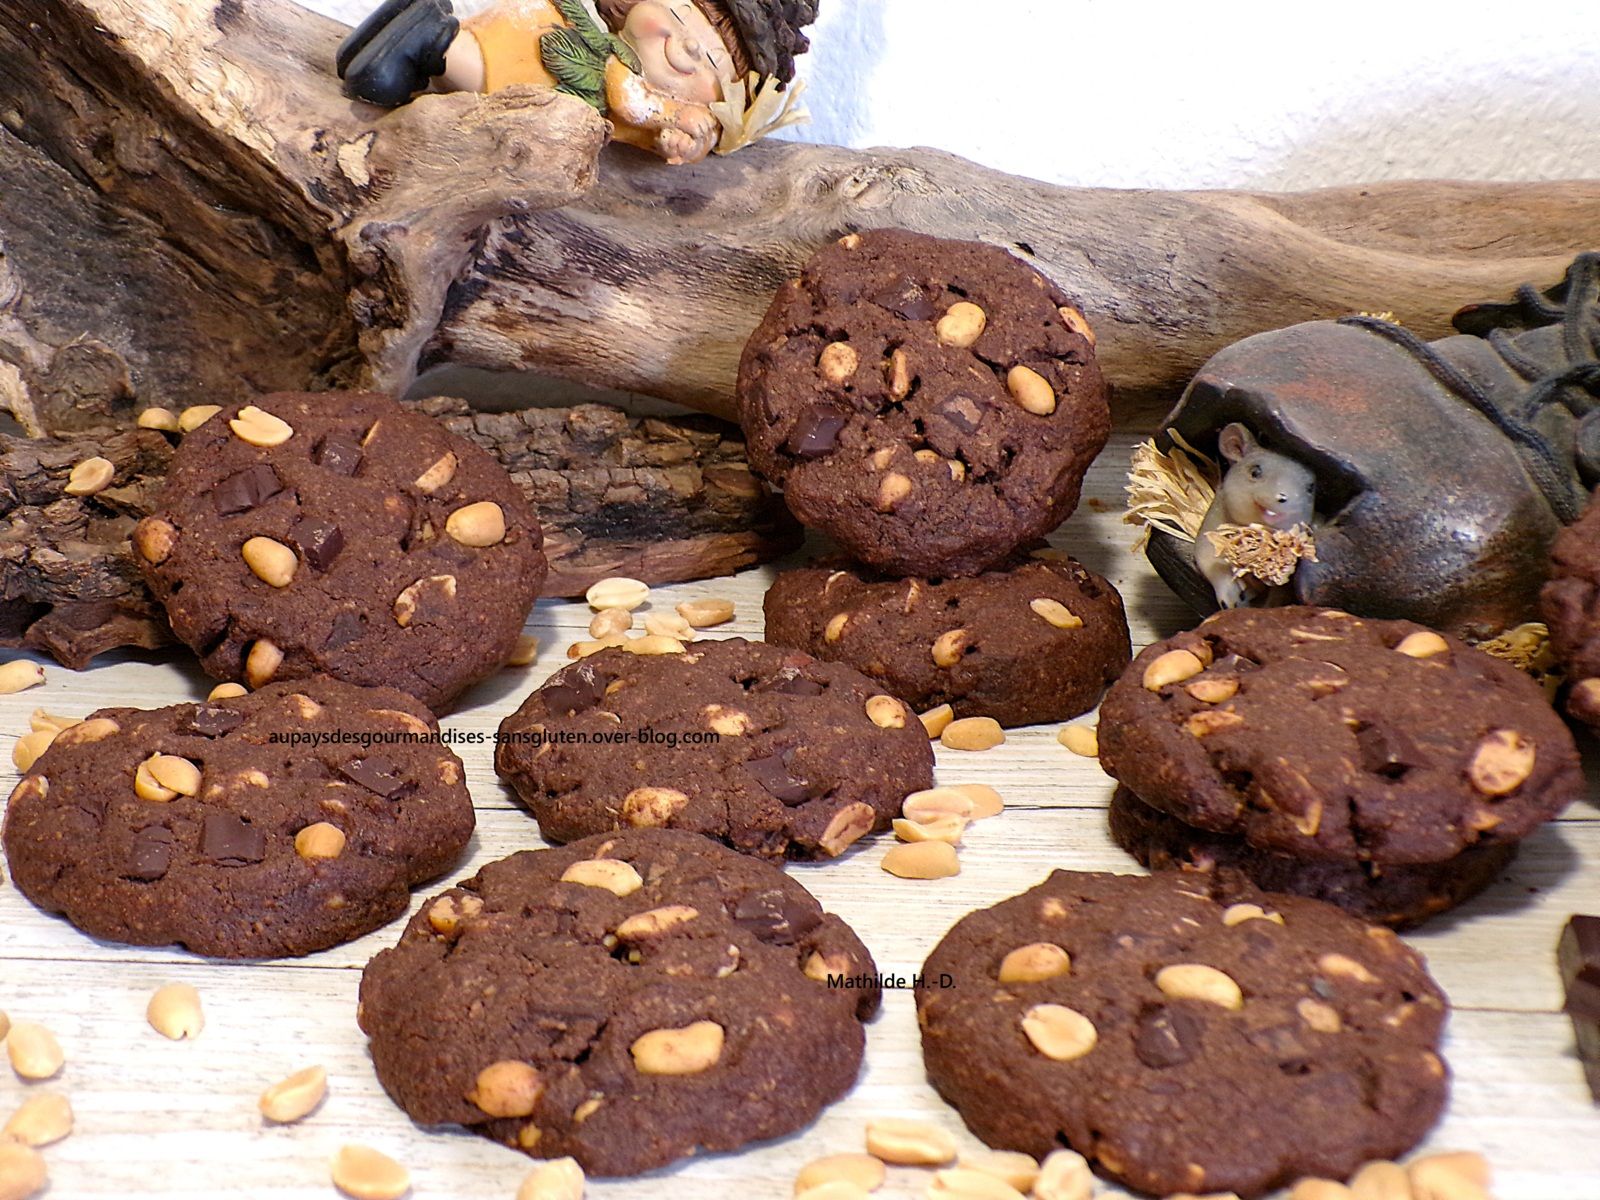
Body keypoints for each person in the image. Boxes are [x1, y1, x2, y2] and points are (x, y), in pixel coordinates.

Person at [336, 0, 816, 164]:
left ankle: (418, 29)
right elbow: (628, 102)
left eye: (711, 59)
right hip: (540, 59)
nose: (688, 45)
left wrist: (693, 138)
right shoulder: (620, 65)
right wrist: (671, 114)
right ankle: (427, 41)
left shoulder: (688, 111)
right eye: (675, 13)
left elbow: (681, 140)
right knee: (489, 70)